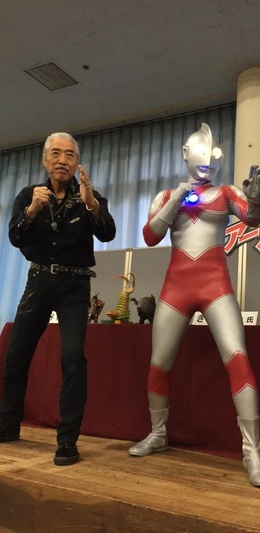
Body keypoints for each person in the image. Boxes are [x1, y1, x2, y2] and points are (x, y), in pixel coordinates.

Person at [128, 123, 260, 488]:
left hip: (215, 285)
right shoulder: (166, 195)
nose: (209, 160)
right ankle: (157, 433)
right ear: (185, 153)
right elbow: (150, 236)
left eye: (214, 154)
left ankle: (253, 451)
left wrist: (257, 201)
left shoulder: (226, 192)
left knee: (237, 358)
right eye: (202, 152)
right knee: (159, 363)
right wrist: (177, 197)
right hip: (176, 286)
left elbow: (251, 218)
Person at [0, 132, 116, 465]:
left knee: (72, 357)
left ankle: (67, 440)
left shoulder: (89, 196)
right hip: (38, 281)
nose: (62, 160)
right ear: (45, 160)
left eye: (69, 155)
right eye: (55, 153)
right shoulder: (29, 195)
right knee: (16, 355)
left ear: (77, 162)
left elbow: (107, 232)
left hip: (74, 285)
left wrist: (91, 204)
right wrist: (32, 210)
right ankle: (7, 425)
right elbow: (15, 236)